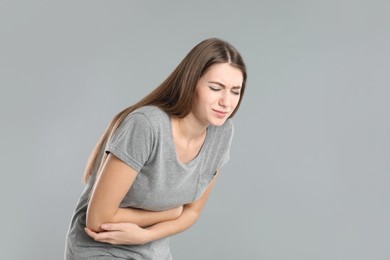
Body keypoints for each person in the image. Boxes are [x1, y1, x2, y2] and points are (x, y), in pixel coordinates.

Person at [65, 38, 247, 260]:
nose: (226, 102)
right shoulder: (146, 125)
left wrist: (144, 235)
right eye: (216, 88)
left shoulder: (222, 133)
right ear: (191, 83)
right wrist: (171, 212)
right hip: (101, 247)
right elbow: (98, 218)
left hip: (152, 249)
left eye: (235, 91)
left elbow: (193, 211)